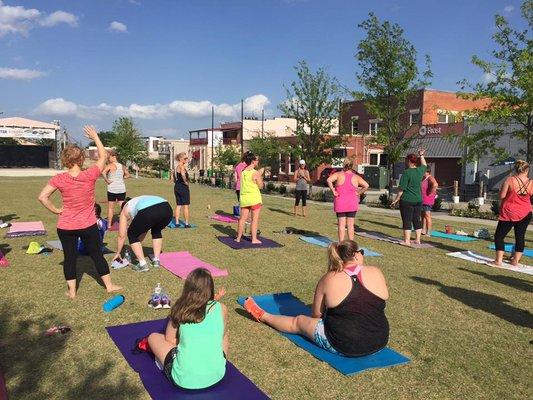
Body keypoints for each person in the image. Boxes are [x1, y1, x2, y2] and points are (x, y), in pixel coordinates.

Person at [243, 240, 389, 357]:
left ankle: (263, 316)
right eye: (362, 252)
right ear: (356, 255)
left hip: (343, 345)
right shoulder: (376, 272)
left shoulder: (329, 279)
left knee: (298, 322)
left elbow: (316, 315)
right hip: (380, 341)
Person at [38, 126, 121, 298]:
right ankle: (109, 286)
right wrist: (95, 136)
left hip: (66, 226)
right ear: (82, 159)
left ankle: (72, 291)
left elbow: (43, 197)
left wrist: (56, 210)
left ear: (65, 160)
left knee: (70, 258)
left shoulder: (59, 178)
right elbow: (103, 155)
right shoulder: (89, 174)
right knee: (97, 255)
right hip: (87, 225)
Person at [146, 268, 228, 390]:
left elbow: (169, 339)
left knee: (153, 337)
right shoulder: (221, 308)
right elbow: (222, 336)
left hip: (184, 380)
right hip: (218, 374)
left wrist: (187, 342)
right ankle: (216, 363)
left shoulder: (181, 309)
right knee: (225, 335)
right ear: (210, 288)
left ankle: (165, 364)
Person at [113, 195, 173, 271]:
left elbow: (121, 236)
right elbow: (143, 229)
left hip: (149, 210)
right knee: (156, 231)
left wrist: (118, 253)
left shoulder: (125, 209)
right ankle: (156, 261)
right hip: (167, 208)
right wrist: (137, 243)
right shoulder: (137, 202)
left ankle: (142, 264)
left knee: (132, 234)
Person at [493, 160, 533, 267]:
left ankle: (498, 261)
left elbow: (501, 196)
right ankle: (515, 261)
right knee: (520, 237)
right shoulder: (531, 183)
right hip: (526, 212)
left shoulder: (510, 180)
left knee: (499, 236)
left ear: (516, 169)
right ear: (527, 170)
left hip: (509, 212)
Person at [327, 157, 369, 242]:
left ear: (344, 165)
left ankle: (341, 243)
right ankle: (351, 244)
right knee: (350, 225)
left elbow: (329, 180)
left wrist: (333, 191)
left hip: (340, 202)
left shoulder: (339, 174)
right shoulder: (356, 177)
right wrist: (358, 193)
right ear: (352, 166)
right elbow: (366, 185)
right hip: (352, 202)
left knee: (341, 225)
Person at [390, 149, 427, 246]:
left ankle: (407, 241)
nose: (405, 162)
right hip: (418, 200)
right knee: (416, 219)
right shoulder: (420, 170)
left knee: (407, 220)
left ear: (409, 161)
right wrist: (421, 155)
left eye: (406, 160)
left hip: (407, 200)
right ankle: (417, 239)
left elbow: (401, 189)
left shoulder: (406, 173)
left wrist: (396, 199)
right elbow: (424, 165)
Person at [236, 151, 264, 244]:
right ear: (253, 161)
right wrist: (261, 176)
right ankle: (254, 239)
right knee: (254, 219)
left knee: (242, 219)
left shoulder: (243, 172)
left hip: (244, 198)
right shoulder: (255, 173)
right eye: (257, 160)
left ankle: (238, 238)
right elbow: (261, 186)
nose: (258, 162)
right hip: (254, 198)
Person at [102, 149, 130, 227]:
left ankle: (109, 225)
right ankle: (124, 223)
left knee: (111, 208)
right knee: (123, 207)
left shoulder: (110, 165)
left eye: (109, 157)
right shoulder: (122, 166)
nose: (108, 159)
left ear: (114, 156)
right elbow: (128, 175)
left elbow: (103, 172)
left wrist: (107, 180)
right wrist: (121, 178)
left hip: (112, 189)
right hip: (121, 189)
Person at [173, 152, 191, 228]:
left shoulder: (176, 167)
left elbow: (174, 178)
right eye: (185, 158)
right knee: (186, 205)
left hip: (177, 186)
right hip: (183, 187)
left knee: (179, 205)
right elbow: (183, 175)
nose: (186, 160)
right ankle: (186, 223)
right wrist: (185, 182)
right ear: (181, 159)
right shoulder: (182, 167)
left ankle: (177, 222)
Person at [421, 168, 438, 236]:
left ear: (427, 171)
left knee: (427, 216)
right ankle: (423, 230)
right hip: (422, 200)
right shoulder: (424, 178)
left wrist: (431, 192)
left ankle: (428, 232)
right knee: (422, 215)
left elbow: (435, 184)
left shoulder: (430, 177)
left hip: (427, 200)